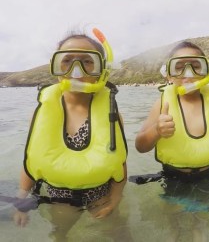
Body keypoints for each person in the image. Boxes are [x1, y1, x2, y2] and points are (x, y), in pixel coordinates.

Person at [13, 28, 128, 236]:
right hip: (60, 199)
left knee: (119, 232)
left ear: (102, 69)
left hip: (100, 195)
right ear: (56, 67)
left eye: (87, 61)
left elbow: (119, 162)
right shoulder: (40, 114)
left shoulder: (112, 115)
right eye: (67, 61)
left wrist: (115, 199)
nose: (77, 71)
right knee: (60, 233)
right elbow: (30, 160)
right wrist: (21, 200)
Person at [134, 41, 209, 213]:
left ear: (206, 71)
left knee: (200, 218)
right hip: (173, 174)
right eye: (179, 67)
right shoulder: (162, 104)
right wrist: (156, 130)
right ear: (168, 74)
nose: (188, 73)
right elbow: (140, 146)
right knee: (172, 215)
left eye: (195, 66)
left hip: (208, 174)